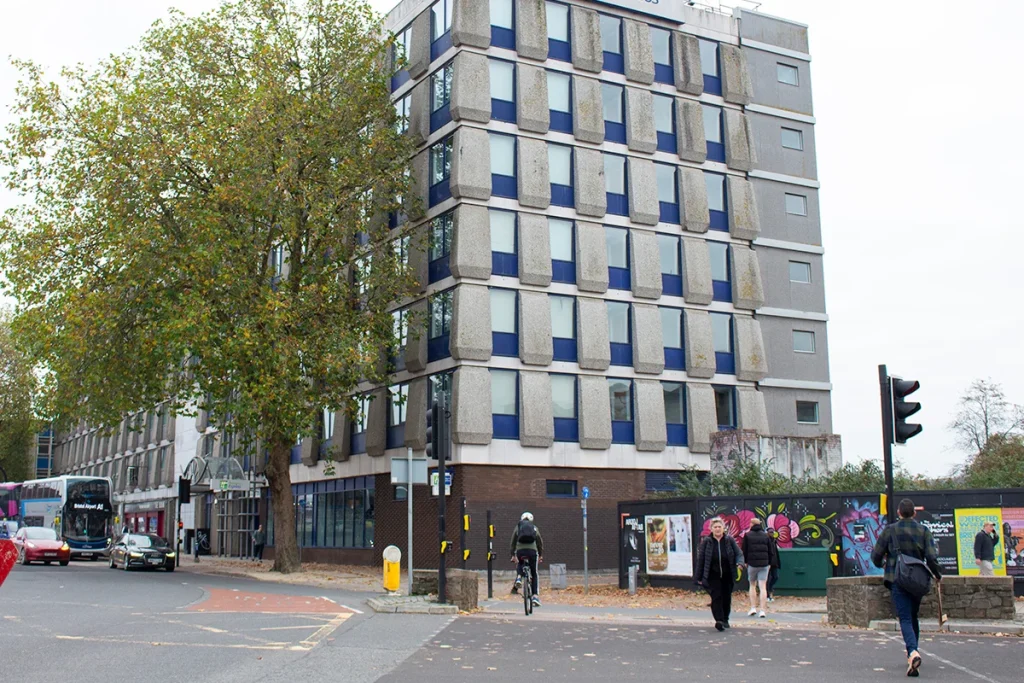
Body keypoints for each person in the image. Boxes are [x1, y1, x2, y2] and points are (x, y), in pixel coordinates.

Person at [871, 498, 942, 678]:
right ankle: (913, 652)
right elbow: (932, 558)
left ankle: (912, 652)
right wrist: (937, 574)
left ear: (899, 512)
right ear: (914, 513)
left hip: (898, 578)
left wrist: (882, 564)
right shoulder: (923, 531)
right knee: (913, 616)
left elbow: (876, 556)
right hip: (917, 581)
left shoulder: (890, 530)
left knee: (904, 618)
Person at [698, 517, 744, 632]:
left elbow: (739, 553)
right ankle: (719, 620)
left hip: (728, 573)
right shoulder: (706, 542)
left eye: (719, 527)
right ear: (711, 529)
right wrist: (698, 577)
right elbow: (701, 560)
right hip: (712, 574)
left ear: (723, 528)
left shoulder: (729, 540)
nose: (717, 529)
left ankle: (725, 618)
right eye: (715, 527)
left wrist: (740, 564)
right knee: (716, 596)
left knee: (726, 597)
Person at [510, 512, 544, 608]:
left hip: (520, 551)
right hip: (532, 552)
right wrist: (540, 555)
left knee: (520, 563)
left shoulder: (518, 527)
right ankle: (535, 596)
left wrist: (513, 554)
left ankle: (519, 577)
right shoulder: (534, 527)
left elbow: (513, 541)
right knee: (534, 573)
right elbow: (539, 541)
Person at [741, 518, 771, 618]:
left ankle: (753, 607)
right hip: (764, 563)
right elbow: (770, 550)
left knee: (752, 585)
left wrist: (745, 562)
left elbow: (744, 550)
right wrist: (769, 563)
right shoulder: (766, 535)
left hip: (752, 564)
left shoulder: (748, 535)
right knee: (763, 587)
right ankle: (762, 610)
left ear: (752, 524)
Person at [766, 529, 781, 602]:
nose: (772, 533)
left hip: (774, 563)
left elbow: (776, 552)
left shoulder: (774, 541)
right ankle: (767, 595)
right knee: (768, 579)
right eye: (770, 532)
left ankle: (770, 588)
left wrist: (777, 562)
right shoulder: (766, 541)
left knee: (775, 577)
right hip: (768, 563)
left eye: (773, 532)